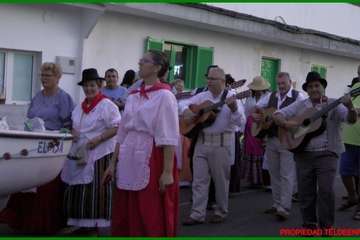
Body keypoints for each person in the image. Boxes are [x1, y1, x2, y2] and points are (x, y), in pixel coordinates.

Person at [103, 50, 179, 236]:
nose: (140, 62)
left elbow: (168, 135)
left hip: (151, 155)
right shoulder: (133, 95)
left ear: (157, 68)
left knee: (148, 207)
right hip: (129, 155)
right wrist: (113, 163)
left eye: (145, 61)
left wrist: (168, 172)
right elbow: (122, 131)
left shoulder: (165, 96)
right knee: (126, 207)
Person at [273, 71, 357, 229]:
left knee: (326, 190)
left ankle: (327, 228)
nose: (314, 89)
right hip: (303, 153)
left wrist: (350, 106)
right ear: (307, 89)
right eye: (310, 86)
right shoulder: (301, 105)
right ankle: (309, 225)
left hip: (327, 153)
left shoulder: (334, 103)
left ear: (323, 87)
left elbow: (350, 119)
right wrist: (285, 123)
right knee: (305, 193)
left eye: (317, 85)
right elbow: (279, 113)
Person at [0, 62, 74, 234]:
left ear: (57, 77)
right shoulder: (37, 97)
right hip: (34, 141)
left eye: (48, 75)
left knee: (45, 187)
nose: (44, 78)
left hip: (51, 146)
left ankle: (43, 223)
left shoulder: (63, 97)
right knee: (23, 182)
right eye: (42, 75)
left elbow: (69, 123)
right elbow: (30, 117)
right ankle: (22, 221)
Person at [182, 66, 246, 225]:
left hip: (222, 143)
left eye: (212, 79)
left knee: (221, 181)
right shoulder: (202, 96)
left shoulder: (233, 98)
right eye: (208, 78)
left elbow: (241, 123)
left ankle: (221, 211)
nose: (208, 81)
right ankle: (197, 214)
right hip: (202, 142)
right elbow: (182, 105)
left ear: (223, 81)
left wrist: (235, 109)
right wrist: (188, 113)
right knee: (199, 181)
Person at [61, 68, 121, 234]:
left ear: (99, 85)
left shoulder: (107, 105)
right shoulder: (79, 108)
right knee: (79, 190)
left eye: (92, 85)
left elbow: (117, 127)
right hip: (81, 152)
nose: (89, 89)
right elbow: (75, 128)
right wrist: (71, 135)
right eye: (86, 86)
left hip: (100, 152)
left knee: (96, 191)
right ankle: (82, 224)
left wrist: (99, 138)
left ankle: (98, 226)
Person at [254, 72, 305, 221]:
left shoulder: (298, 97)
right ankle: (276, 204)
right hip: (272, 139)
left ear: (290, 82)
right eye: (279, 83)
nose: (281, 86)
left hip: (288, 139)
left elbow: (299, 115)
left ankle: (284, 207)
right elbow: (257, 106)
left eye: (284, 83)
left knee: (287, 174)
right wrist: (259, 115)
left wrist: (280, 117)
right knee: (274, 173)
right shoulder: (271, 96)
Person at [241, 76, 270, 188]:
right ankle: (252, 179)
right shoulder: (250, 98)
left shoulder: (268, 97)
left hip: (261, 126)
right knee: (250, 151)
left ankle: (261, 179)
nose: (257, 90)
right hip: (249, 127)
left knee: (260, 151)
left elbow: (269, 111)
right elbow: (245, 112)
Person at [339, 75, 360, 219]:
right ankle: (352, 197)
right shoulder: (356, 87)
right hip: (348, 138)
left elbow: (353, 109)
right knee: (345, 171)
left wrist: (355, 110)